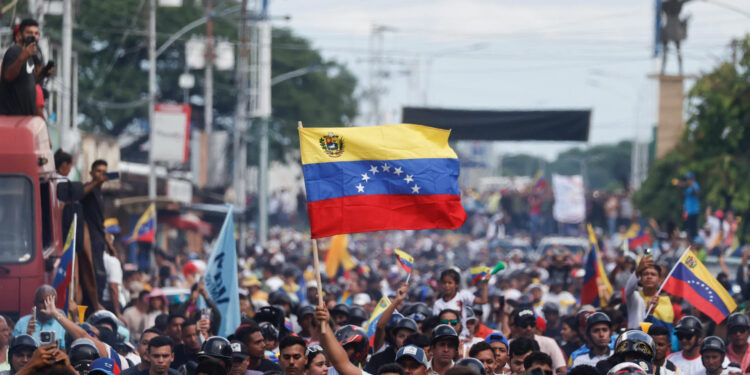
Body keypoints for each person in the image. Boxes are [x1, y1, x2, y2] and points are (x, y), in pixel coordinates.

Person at [81, 159, 112, 302]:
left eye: (104, 172)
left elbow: (101, 223)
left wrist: (110, 245)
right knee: (94, 275)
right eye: (98, 171)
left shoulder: (100, 194)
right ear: (91, 173)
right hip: (89, 239)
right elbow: (80, 193)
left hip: (99, 240)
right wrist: (95, 182)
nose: (101, 175)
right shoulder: (89, 188)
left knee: (101, 276)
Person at [0, 19, 39, 116]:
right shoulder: (15, 51)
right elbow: (8, 76)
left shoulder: (30, 56)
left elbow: (30, 83)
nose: (33, 36)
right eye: (29, 33)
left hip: (26, 119)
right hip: (12, 119)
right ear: (20, 35)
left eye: (36, 33)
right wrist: (23, 56)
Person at [433, 269, 488, 337]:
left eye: (450, 283)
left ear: (456, 284)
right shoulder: (438, 304)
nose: (447, 285)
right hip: (445, 337)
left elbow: (483, 301)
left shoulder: (462, 296)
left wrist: (485, 284)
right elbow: (436, 324)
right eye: (444, 283)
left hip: (463, 336)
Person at [509, 309, 566, 374]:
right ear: (516, 327)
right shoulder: (508, 344)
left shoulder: (549, 342)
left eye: (532, 324)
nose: (529, 328)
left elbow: (562, 370)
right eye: (524, 325)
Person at [625, 256, 674, 333]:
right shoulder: (635, 297)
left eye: (653, 274)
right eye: (645, 274)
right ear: (640, 280)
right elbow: (628, 289)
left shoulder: (666, 301)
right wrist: (637, 270)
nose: (649, 277)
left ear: (660, 280)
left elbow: (668, 329)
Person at [11, 286, 67, 350]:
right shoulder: (22, 323)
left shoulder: (62, 325)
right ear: (35, 303)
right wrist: (28, 335)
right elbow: (13, 350)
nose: (46, 305)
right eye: (42, 301)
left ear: (55, 304)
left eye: (49, 302)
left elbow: (64, 352)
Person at [678, 172, 700, 240]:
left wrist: (691, 185)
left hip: (694, 211)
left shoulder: (695, 185)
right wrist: (679, 188)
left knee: (693, 230)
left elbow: (697, 193)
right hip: (688, 212)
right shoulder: (688, 189)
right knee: (689, 230)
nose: (687, 181)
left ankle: (695, 243)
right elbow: (682, 196)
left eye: (688, 179)